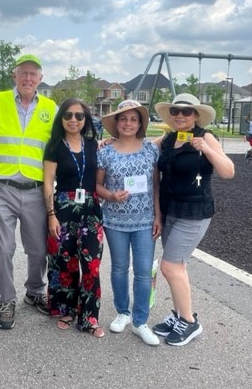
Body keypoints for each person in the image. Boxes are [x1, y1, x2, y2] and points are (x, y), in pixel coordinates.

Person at [0, 54, 57, 330]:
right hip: (2, 187)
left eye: (33, 74)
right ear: (15, 76)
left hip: (35, 189)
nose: (28, 78)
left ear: (40, 79)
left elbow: (68, 139)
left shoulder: (51, 109)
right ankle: (6, 300)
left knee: (39, 248)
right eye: (23, 73)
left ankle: (34, 291)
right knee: (2, 249)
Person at [152, 93, 235, 346]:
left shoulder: (205, 136)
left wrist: (207, 149)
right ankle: (179, 315)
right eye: (176, 111)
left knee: (170, 267)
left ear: (196, 115)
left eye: (186, 112)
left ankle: (189, 322)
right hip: (171, 210)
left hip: (194, 211)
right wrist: (108, 142)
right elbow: (138, 146)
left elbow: (228, 171)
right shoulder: (167, 139)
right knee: (179, 266)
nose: (180, 115)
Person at [95, 99, 162, 346]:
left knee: (144, 271)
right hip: (115, 220)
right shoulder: (105, 151)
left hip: (145, 221)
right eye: (123, 119)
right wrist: (112, 195)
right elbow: (97, 186)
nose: (128, 123)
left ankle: (140, 321)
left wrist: (158, 216)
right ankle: (122, 312)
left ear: (140, 123)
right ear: (116, 122)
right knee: (119, 268)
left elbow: (156, 185)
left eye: (133, 119)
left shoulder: (150, 150)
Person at [43, 98, 104, 337]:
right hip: (63, 209)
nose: (73, 120)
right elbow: (48, 182)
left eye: (79, 116)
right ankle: (66, 309)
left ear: (85, 120)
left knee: (91, 266)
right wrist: (51, 215)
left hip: (90, 209)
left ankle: (89, 316)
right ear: (61, 119)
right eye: (68, 115)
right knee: (63, 262)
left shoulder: (93, 145)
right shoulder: (55, 145)